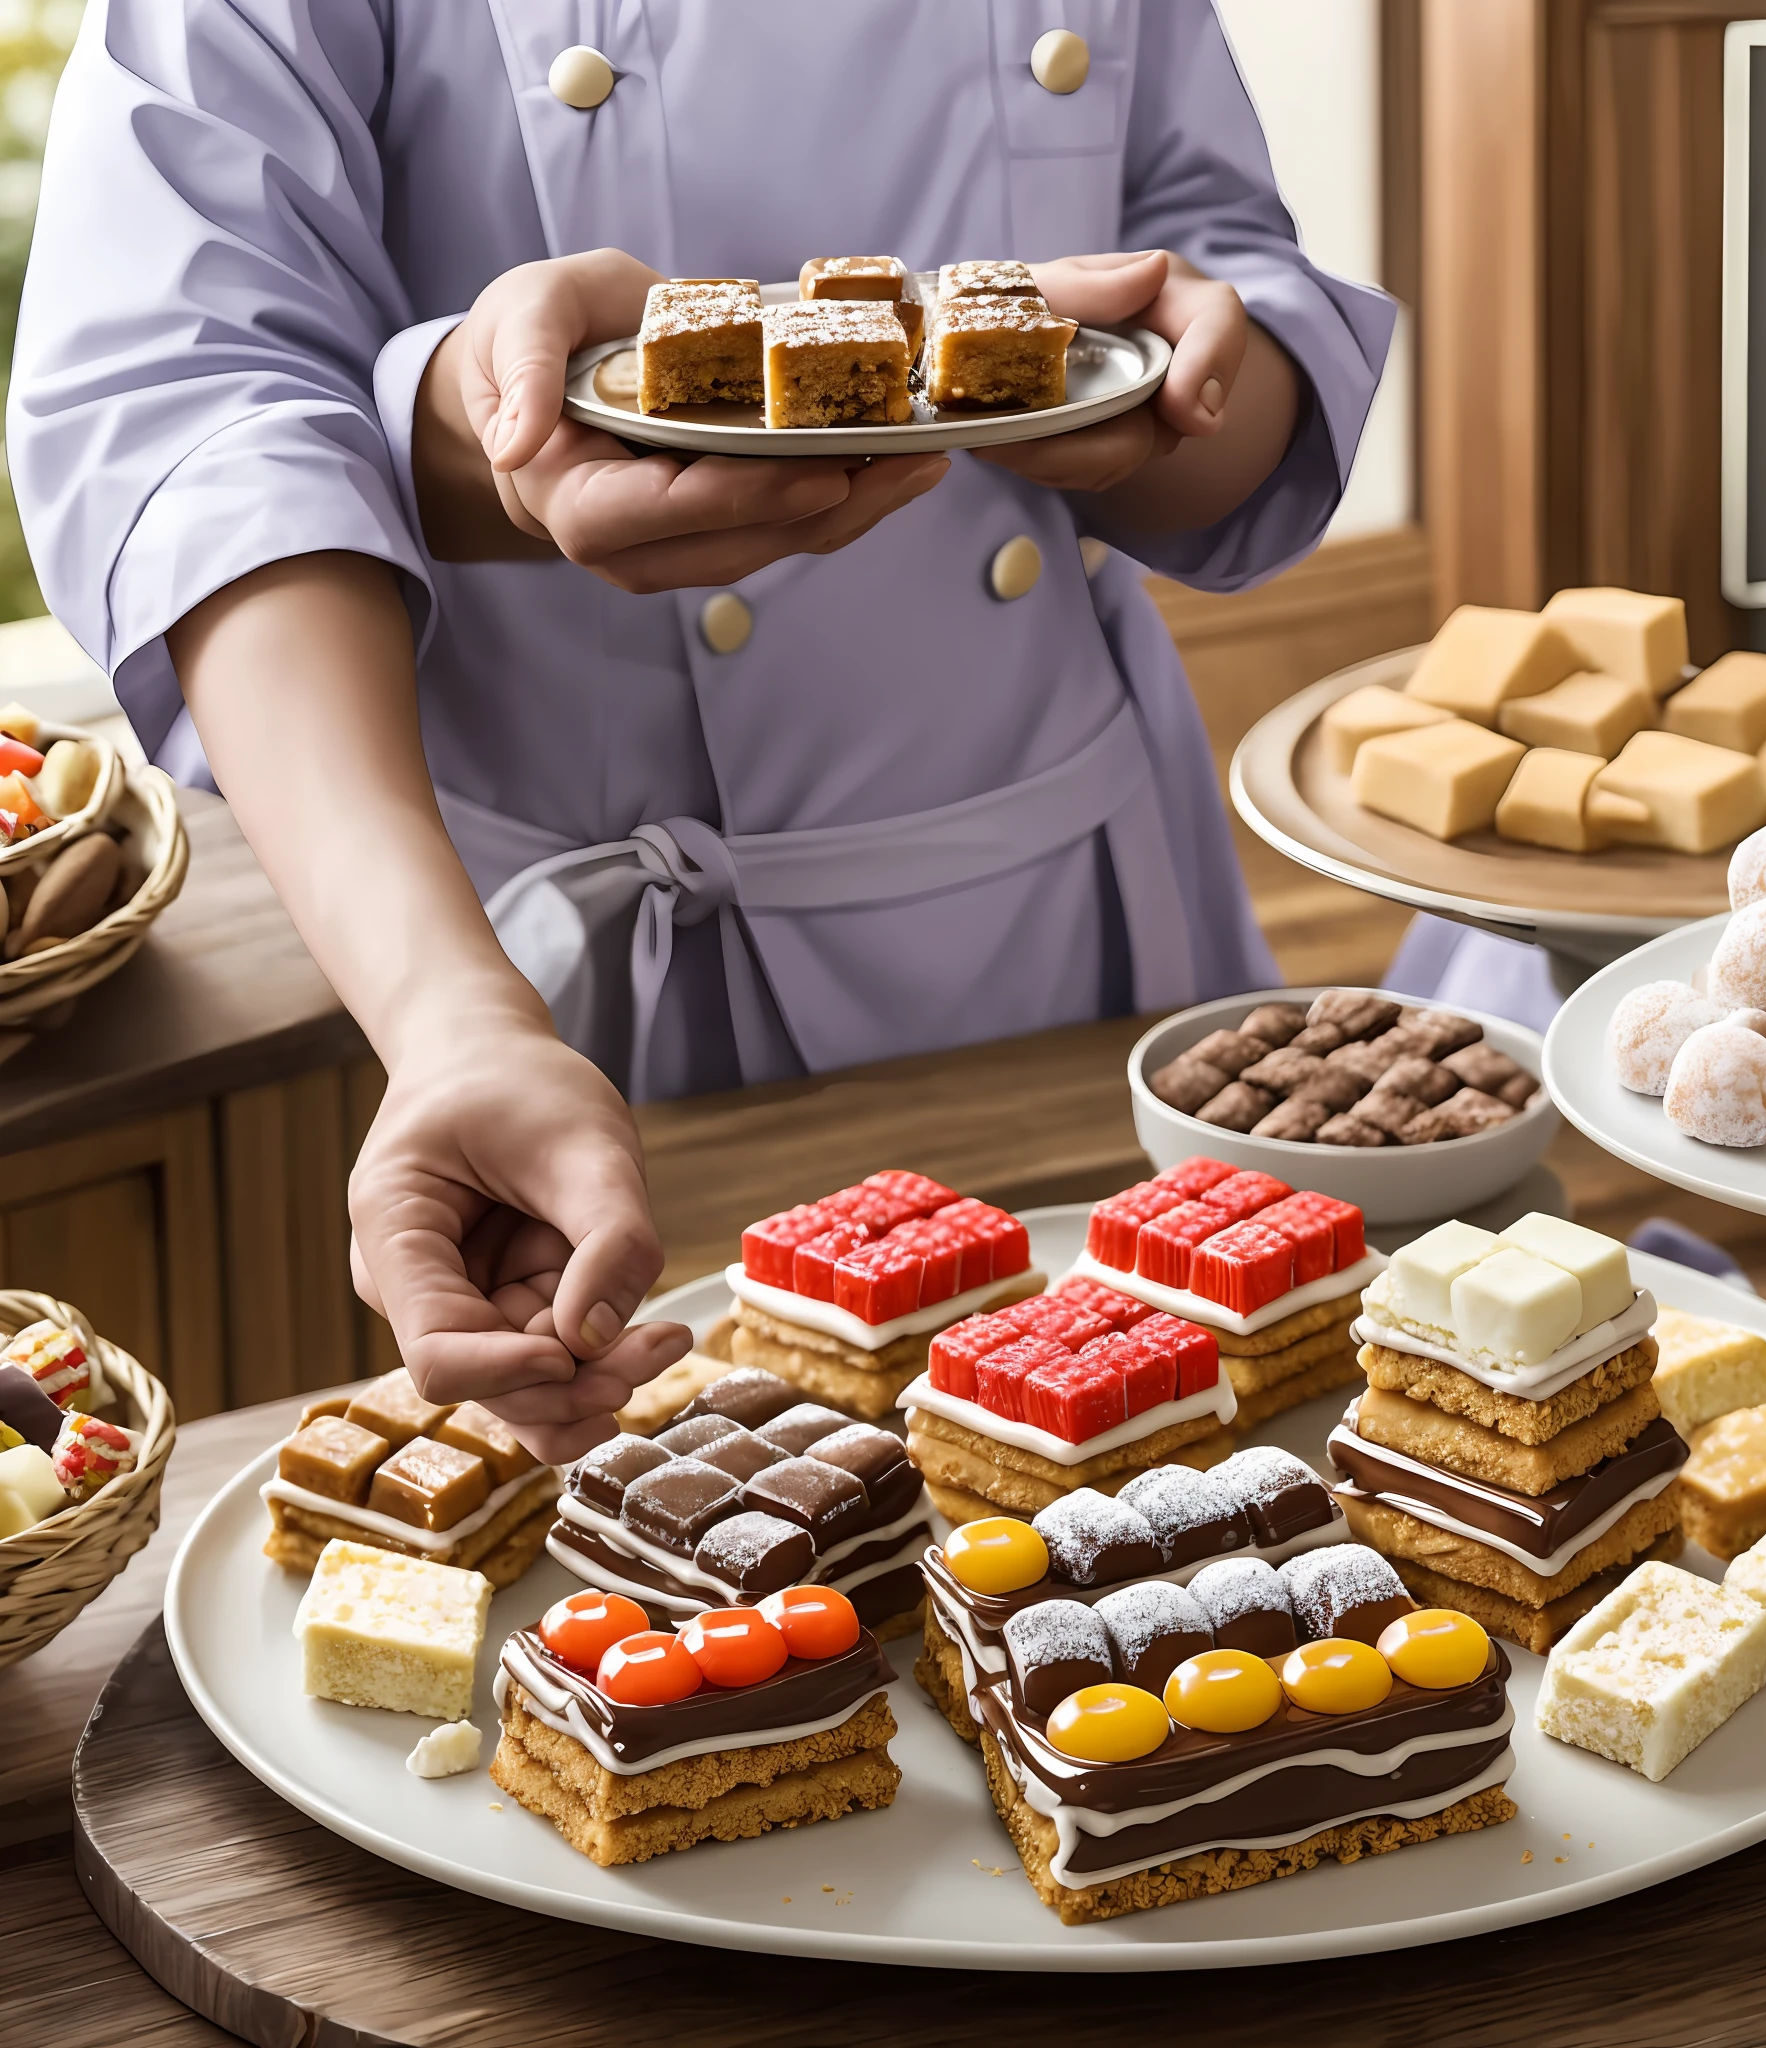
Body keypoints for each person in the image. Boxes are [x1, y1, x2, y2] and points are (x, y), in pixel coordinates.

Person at [9, 6, 1393, 1460]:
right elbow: (196, 412)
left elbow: (1212, 266)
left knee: (1202, 1489)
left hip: (1074, 930)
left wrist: (1163, 389)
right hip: (546, 1019)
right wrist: (458, 1025)